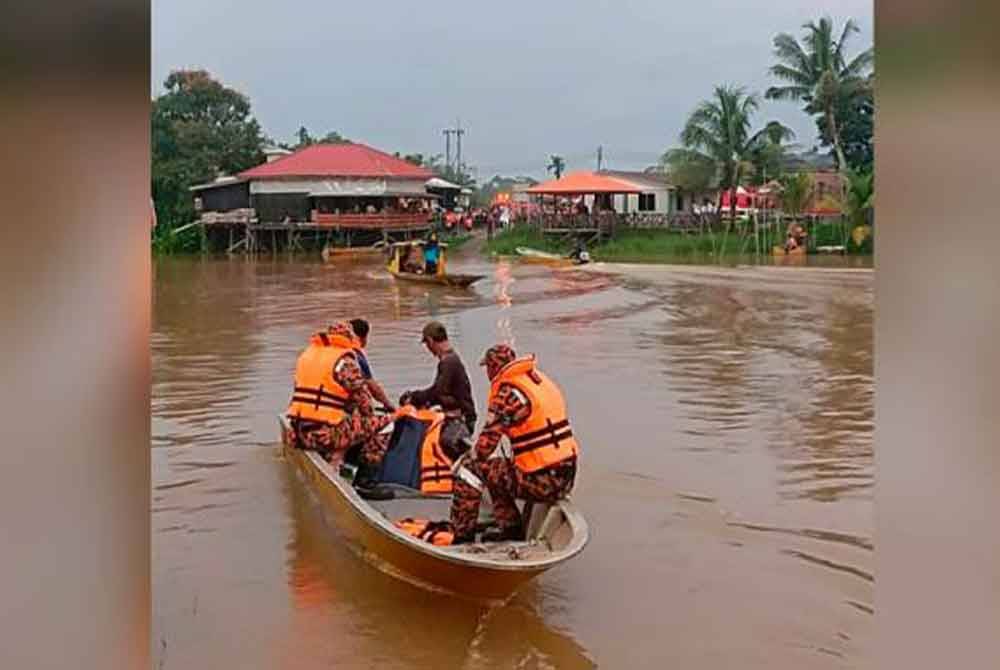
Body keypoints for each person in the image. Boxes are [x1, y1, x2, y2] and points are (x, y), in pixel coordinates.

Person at [448, 344, 578, 544]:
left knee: (470, 470)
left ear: (492, 368)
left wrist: (463, 460)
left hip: (542, 480)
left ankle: (462, 536)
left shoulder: (508, 394)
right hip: (564, 476)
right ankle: (510, 530)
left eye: (487, 368)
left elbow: (484, 448)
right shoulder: (538, 382)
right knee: (497, 470)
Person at [286, 322, 409, 488]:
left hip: (297, 432)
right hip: (324, 436)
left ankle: (335, 459)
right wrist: (394, 414)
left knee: (350, 423)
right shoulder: (345, 362)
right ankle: (366, 481)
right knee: (385, 425)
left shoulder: (306, 356)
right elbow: (366, 406)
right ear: (348, 339)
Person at [400, 321, 477, 460]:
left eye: (427, 344)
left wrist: (414, 397)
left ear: (430, 341)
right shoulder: (451, 359)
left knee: (442, 445)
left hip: (462, 420)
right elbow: (440, 393)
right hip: (459, 415)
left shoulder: (448, 362)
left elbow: (438, 391)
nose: (428, 349)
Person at [348, 318, 396, 413]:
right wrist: (388, 404)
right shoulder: (355, 355)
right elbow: (372, 386)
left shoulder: (328, 350)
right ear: (364, 337)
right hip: (343, 416)